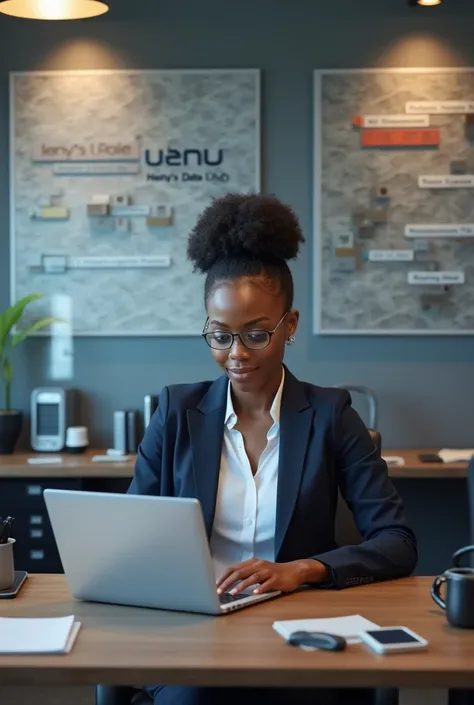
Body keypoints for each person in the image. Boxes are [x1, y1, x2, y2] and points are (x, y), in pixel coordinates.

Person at [128, 193, 417, 705]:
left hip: (299, 630)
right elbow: (128, 537)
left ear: (290, 324)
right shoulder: (175, 412)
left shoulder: (330, 415)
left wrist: (300, 570)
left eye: (257, 334)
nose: (236, 354)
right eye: (220, 335)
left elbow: (397, 540)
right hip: (198, 631)